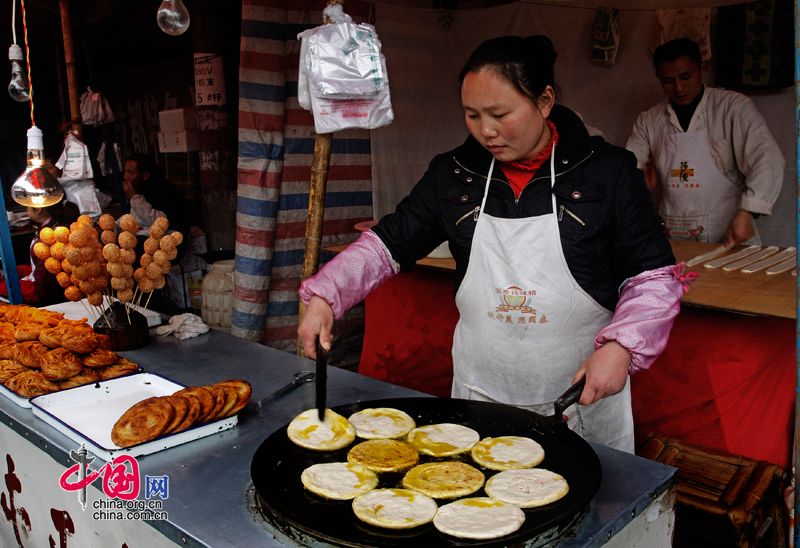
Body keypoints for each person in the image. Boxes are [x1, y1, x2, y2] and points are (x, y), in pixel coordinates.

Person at [298, 35, 695, 452]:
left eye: (500, 114)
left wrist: (621, 345)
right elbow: (387, 244)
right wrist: (328, 295)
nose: (486, 131)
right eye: (472, 115)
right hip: (479, 395)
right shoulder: (454, 175)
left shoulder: (607, 174)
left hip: (580, 399)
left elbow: (652, 279)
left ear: (545, 101)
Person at [626, 38, 784, 246]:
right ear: (658, 78)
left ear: (702, 68)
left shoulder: (732, 108)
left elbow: (767, 159)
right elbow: (629, 169)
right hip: (673, 239)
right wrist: (639, 184)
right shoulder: (649, 120)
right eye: (668, 81)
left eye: (685, 76)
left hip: (730, 236)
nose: (679, 88)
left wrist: (749, 211)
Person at [0, 199, 79, 305]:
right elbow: (38, 270)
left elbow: (42, 288)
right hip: (40, 281)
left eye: (27, 207)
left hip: (45, 294)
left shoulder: (49, 240)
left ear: (38, 209)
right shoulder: (49, 228)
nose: (26, 209)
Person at [122, 153, 189, 235]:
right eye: (125, 172)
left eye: (130, 173)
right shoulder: (141, 188)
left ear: (145, 175)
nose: (125, 176)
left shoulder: (163, 190)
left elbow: (160, 223)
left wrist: (134, 197)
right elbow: (135, 218)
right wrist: (116, 225)